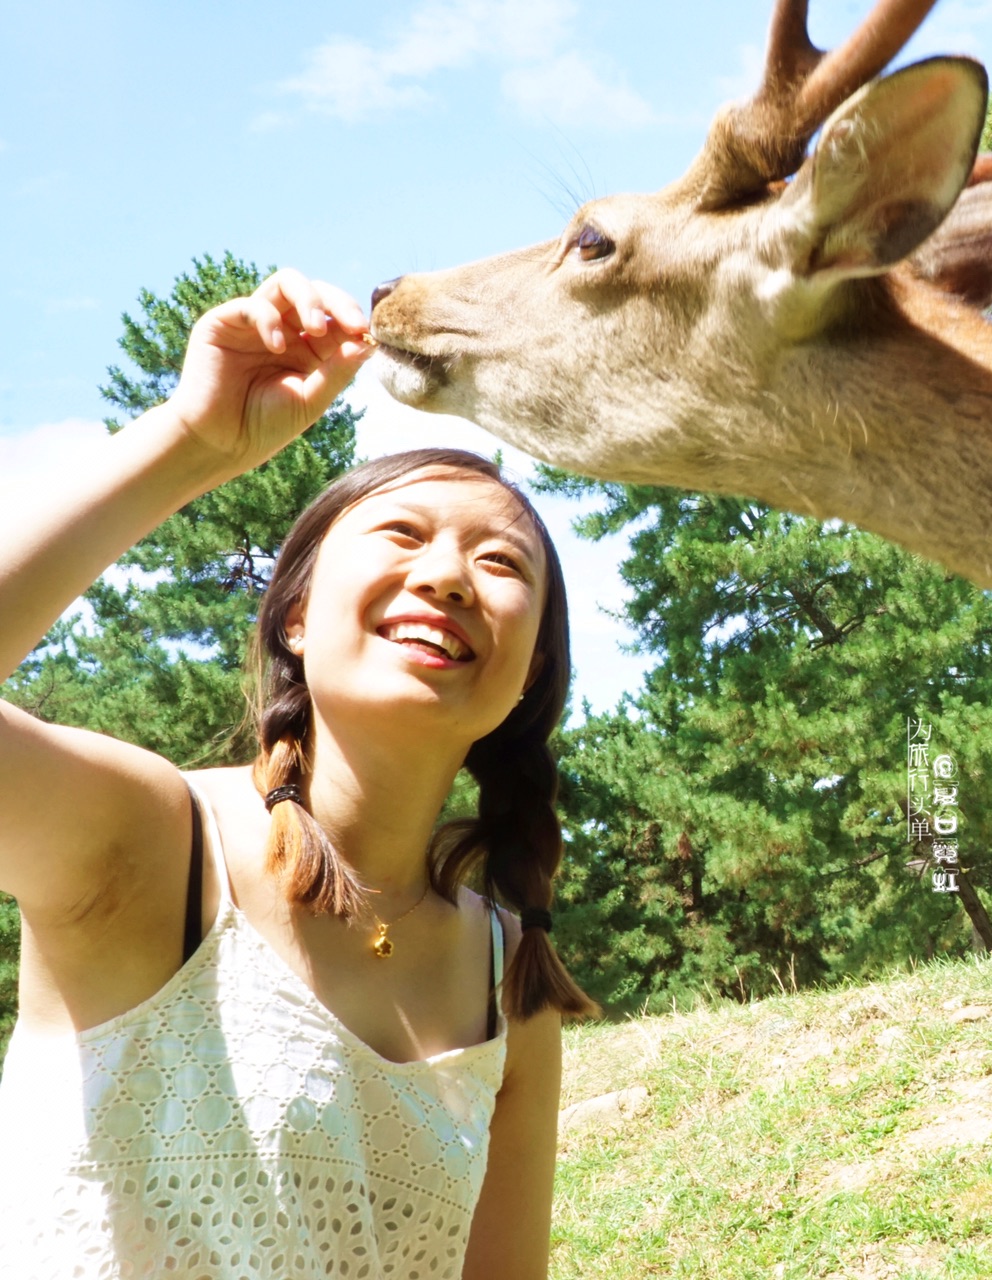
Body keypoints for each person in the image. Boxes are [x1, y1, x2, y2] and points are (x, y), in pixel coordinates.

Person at [0, 269, 595, 1278]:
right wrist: (190, 442)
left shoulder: (510, 979)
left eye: (502, 564)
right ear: (296, 617)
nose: (449, 574)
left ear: (531, 670)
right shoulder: (154, 841)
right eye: (402, 535)